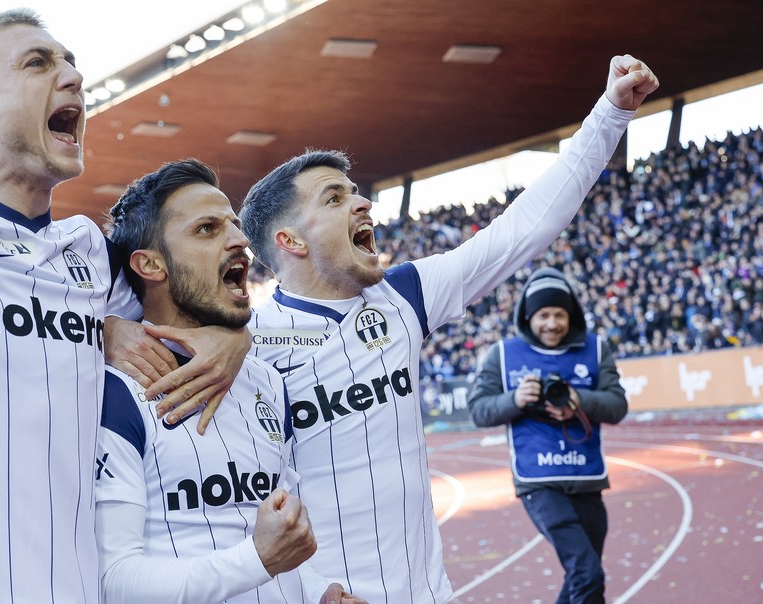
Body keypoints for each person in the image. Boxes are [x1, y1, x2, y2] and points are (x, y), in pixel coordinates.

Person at [215, 56, 656, 602]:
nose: (362, 202)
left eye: (354, 190)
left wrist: (610, 114)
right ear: (291, 242)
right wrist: (311, 590)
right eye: (335, 198)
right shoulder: (245, 349)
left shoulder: (404, 296)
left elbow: (525, 229)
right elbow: (233, 503)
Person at [0, 10, 245, 602]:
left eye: (71, 63)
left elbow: (197, 296)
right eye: (38, 63)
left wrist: (231, 339)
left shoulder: (88, 249)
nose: (72, 76)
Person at [98, 158, 364, 603]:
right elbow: (115, 580)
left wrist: (318, 593)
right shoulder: (115, 392)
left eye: (235, 225)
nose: (241, 241)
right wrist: (257, 559)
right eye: (207, 229)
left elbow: (276, 533)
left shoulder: (266, 382)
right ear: (151, 265)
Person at [467, 268, 629, 604]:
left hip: (586, 477)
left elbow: (617, 406)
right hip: (538, 481)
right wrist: (515, 399)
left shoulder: (596, 351)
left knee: (582, 575)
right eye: (543, 315)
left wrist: (578, 400)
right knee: (587, 572)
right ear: (528, 316)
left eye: (560, 314)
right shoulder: (503, 354)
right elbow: (479, 410)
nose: (552, 323)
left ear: (571, 315)